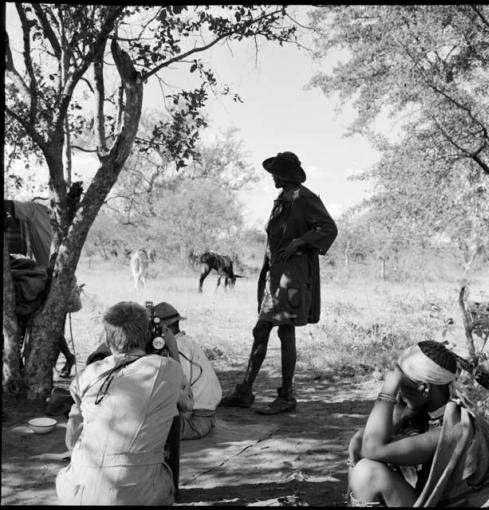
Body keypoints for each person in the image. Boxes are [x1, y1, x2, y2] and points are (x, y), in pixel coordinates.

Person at [220, 151, 337, 414]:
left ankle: (286, 396)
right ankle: (245, 390)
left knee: (285, 331)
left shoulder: (305, 198)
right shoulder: (283, 199)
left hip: (292, 276)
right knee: (261, 330)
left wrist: (299, 242)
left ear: (287, 174)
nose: (272, 175)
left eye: (276, 171)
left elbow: (329, 228)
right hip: (277, 275)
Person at [55, 301, 193, 505]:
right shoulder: (166, 369)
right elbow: (188, 404)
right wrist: (172, 349)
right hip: (137, 495)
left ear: (108, 338)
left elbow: (71, 441)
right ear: (147, 336)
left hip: (75, 491)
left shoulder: (87, 375)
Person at [347, 340, 489, 507]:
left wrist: (387, 391)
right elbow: (367, 441)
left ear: (424, 388)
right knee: (359, 441)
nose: (399, 389)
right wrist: (405, 413)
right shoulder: (427, 412)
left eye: (402, 383)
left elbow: (373, 448)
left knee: (368, 473)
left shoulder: (451, 428)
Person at [154, 302, 223, 440]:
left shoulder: (178, 346)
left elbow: (181, 391)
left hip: (195, 420)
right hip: (202, 415)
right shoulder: (185, 341)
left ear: (164, 328)